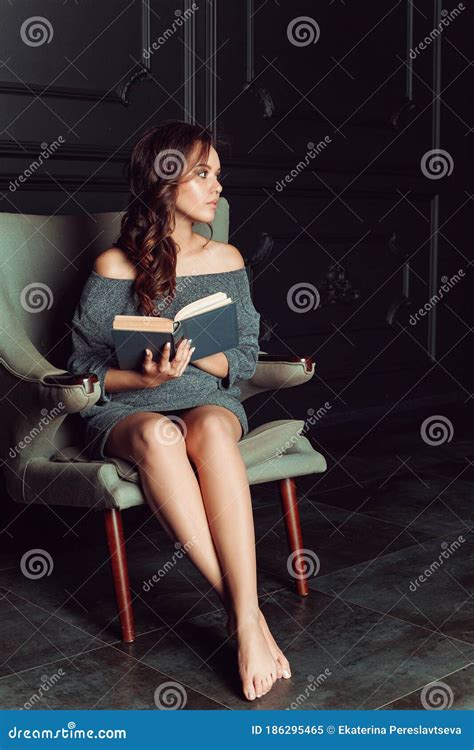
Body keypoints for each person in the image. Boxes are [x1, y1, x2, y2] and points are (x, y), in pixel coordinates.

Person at [68, 120, 291, 701]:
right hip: (131, 409)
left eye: (218, 174)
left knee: (214, 429)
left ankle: (242, 620)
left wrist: (206, 356)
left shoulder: (227, 256)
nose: (218, 186)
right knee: (163, 437)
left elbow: (245, 355)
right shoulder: (114, 266)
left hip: (206, 397)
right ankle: (247, 617)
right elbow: (84, 374)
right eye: (203, 174)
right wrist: (143, 374)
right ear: (165, 185)